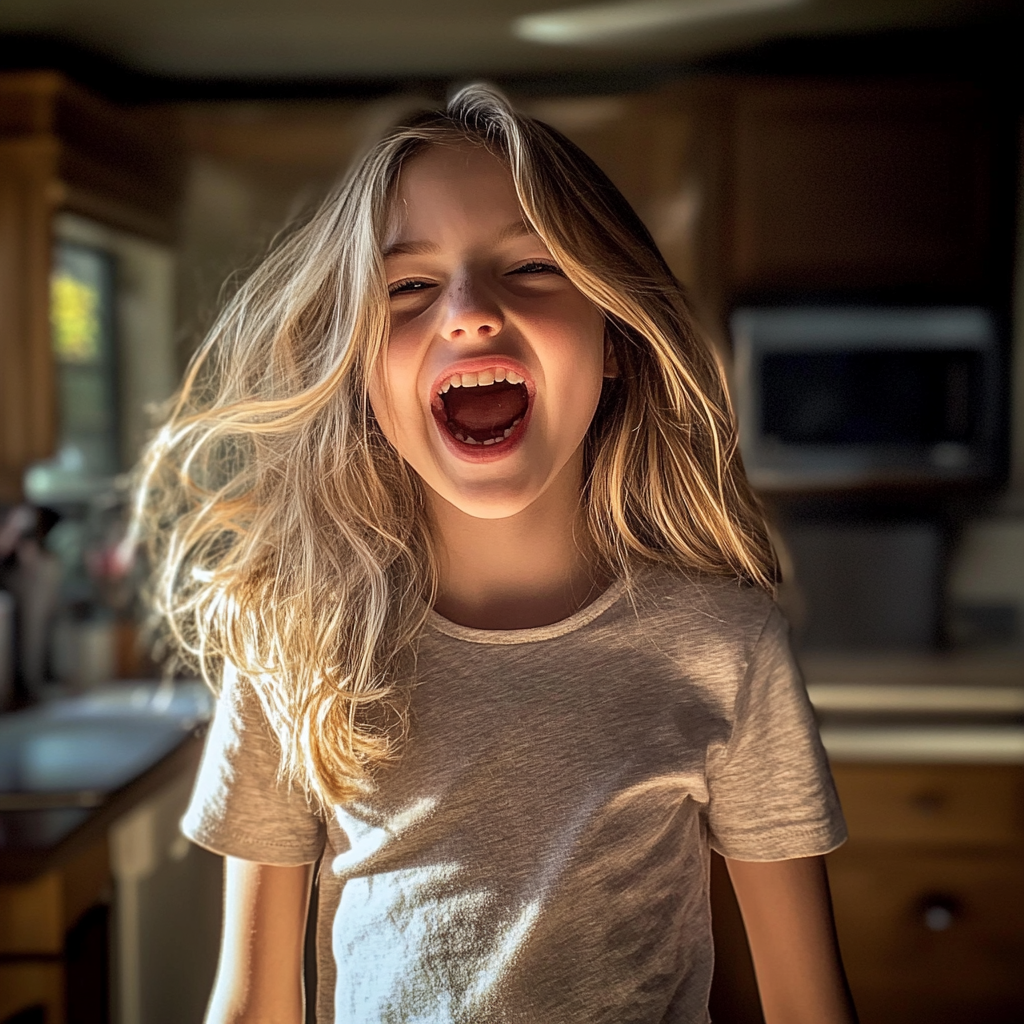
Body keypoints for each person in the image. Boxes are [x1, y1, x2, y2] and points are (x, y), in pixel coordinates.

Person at [134, 84, 857, 1024]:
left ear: (614, 344)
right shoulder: (294, 637)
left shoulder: (726, 645)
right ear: (358, 369)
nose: (470, 312)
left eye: (532, 269)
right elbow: (251, 1005)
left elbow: (807, 1003)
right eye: (408, 287)